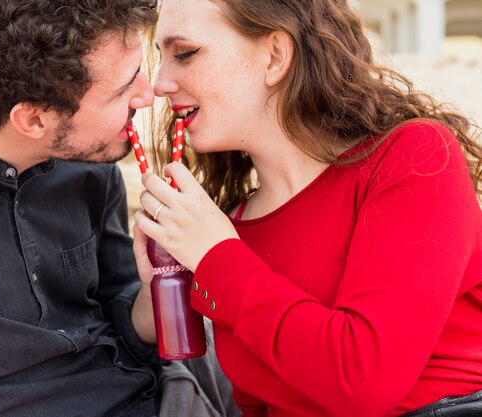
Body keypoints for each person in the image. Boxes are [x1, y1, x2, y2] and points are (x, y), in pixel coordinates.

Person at [0, 1, 239, 416]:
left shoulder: (90, 167)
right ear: (35, 119)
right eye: (123, 87)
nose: (149, 94)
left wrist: (153, 286)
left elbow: (127, 326)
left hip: (169, 391)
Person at [133, 0, 482, 416]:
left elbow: (364, 384)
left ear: (275, 56)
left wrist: (217, 258)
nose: (159, 83)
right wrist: (162, 280)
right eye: (160, 57)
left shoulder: (415, 158)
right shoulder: (227, 229)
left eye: (185, 54)